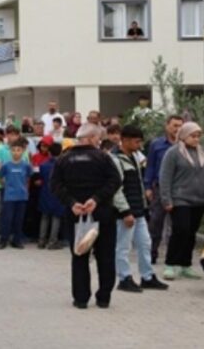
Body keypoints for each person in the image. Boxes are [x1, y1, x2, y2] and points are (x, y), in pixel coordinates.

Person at [51, 123, 122, 309]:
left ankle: (81, 299)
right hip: (102, 212)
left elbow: (55, 185)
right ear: (91, 138)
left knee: (79, 255)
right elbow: (116, 180)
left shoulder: (63, 159)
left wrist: (72, 202)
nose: (100, 142)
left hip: (75, 214)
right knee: (106, 256)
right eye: (99, 139)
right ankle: (104, 297)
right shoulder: (103, 158)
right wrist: (96, 199)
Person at [112, 125, 168, 293]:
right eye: (136, 142)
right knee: (123, 246)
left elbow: (138, 182)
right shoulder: (115, 159)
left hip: (139, 209)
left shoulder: (135, 157)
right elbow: (116, 189)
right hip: (125, 212)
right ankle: (124, 278)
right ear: (126, 140)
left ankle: (147, 276)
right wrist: (125, 211)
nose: (139, 145)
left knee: (145, 243)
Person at [159, 122, 204, 281]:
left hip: (199, 199)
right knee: (181, 229)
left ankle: (185, 264)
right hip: (180, 198)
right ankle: (170, 263)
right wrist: (166, 198)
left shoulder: (202, 153)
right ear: (183, 135)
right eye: (192, 136)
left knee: (191, 233)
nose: (196, 139)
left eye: (198, 136)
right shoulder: (173, 153)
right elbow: (165, 176)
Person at [145, 115, 184, 264]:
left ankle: (175, 256)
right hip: (159, 188)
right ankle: (151, 253)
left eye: (180, 125)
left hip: (180, 190)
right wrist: (148, 187)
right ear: (167, 126)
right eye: (175, 125)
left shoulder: (185, 145)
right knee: (156, 222)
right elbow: (151, 166)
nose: (177, 129)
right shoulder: (156, 144)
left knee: (178, 225)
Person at [0, 138, 32, 249]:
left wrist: (25, 189)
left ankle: (16, 240)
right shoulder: (6, 165)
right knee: (7, 219)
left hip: (22, 196)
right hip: (9, 197)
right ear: (10, 152)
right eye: (14, 150)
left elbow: (28, 178)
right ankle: (3, 240)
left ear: (23, 151)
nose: (16, 152)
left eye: (18, 150)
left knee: (19, 219)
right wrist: (6, 186)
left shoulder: (26, 165)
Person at [37, 143, 65, 250]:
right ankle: (52, 241)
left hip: (45, 192)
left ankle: (41, 240)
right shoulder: (63, 165)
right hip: (58, 193)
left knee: (44, 217)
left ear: (49, 152)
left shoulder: (43, 165)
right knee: (56, 217)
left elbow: (41, 179)